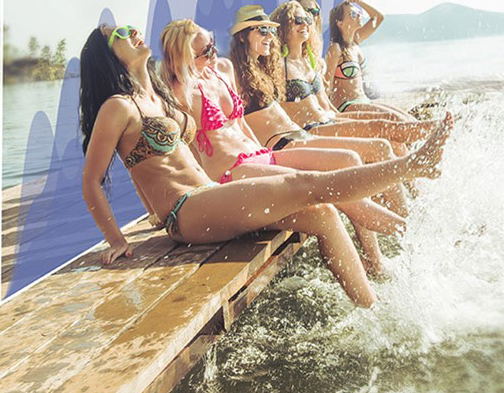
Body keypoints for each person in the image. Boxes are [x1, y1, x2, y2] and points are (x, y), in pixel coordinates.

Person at [78, 23, 450, 307]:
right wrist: (117, 240)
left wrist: (150, 210)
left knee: (322, 214)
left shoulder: (157, 97)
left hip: (210, 195)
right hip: (185, 210)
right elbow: (91, 181)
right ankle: (413, 165)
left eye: (132, 28)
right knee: (305, 185)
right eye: (121, 34)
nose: (134, 33)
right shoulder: (118, 107)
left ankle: (370, 307)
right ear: (107, 56)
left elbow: (153, 162)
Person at [158, 18, 406, 271]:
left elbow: (241, 123)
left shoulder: (222, 69)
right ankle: (405, 232)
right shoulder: (179, 93)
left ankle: (383, 251)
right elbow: (178, 150)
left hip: (259, 153)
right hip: (231, 172)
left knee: (344, 162)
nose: (213, 54)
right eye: (205, 52)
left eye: (212, 45)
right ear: (183, 57)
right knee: (325, 189)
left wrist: (264, 152)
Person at [227, 5, 417, 215]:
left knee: (383, 140)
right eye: (263, 30)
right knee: (365, 153)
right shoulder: (240, 71)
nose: (270, 35)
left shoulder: (268, 68)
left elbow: (321, 106)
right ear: (242, 36)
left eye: (271, 30)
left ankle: (401, 212)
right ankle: (400, 217)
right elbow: (234, 123)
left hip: (303, 132)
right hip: (289, 140)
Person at [270, 0, 438, 144]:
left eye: (307, 19)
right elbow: (326, 88)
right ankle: (434, 131)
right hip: (339, 110)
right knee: (385, 125)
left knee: (397, 127)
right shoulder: (333, 49)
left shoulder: (315, 60)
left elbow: (324, 102)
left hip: (336, 113)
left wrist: (344, 120)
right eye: (299, 20)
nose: (306, 23)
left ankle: (429, 141)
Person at [324, 0, 416, 121]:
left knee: (408, 118)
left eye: (358, 13)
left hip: (364, 101)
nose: (358, 15)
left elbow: (378, 17)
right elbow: (326, 84)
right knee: (396, 119)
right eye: (353, 14)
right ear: (340, 23)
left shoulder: (355, 42)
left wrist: (359, 2)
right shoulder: (336, 48)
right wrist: (332, 114)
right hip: (346, 106)